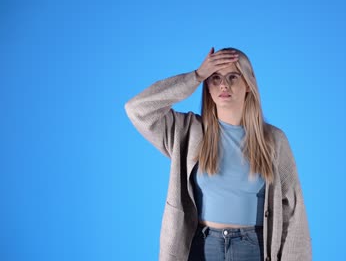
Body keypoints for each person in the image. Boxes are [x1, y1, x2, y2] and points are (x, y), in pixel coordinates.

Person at [124, 47, 312, 261]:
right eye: (215, 78)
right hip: (202, 247)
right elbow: (137, 109)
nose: (224, 84)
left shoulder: (273, 140)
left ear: (248, 85)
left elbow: (295, 212)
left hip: (252, 249)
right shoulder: (187, 132)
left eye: (233, 76)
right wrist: (195, 76)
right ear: (208, 88)